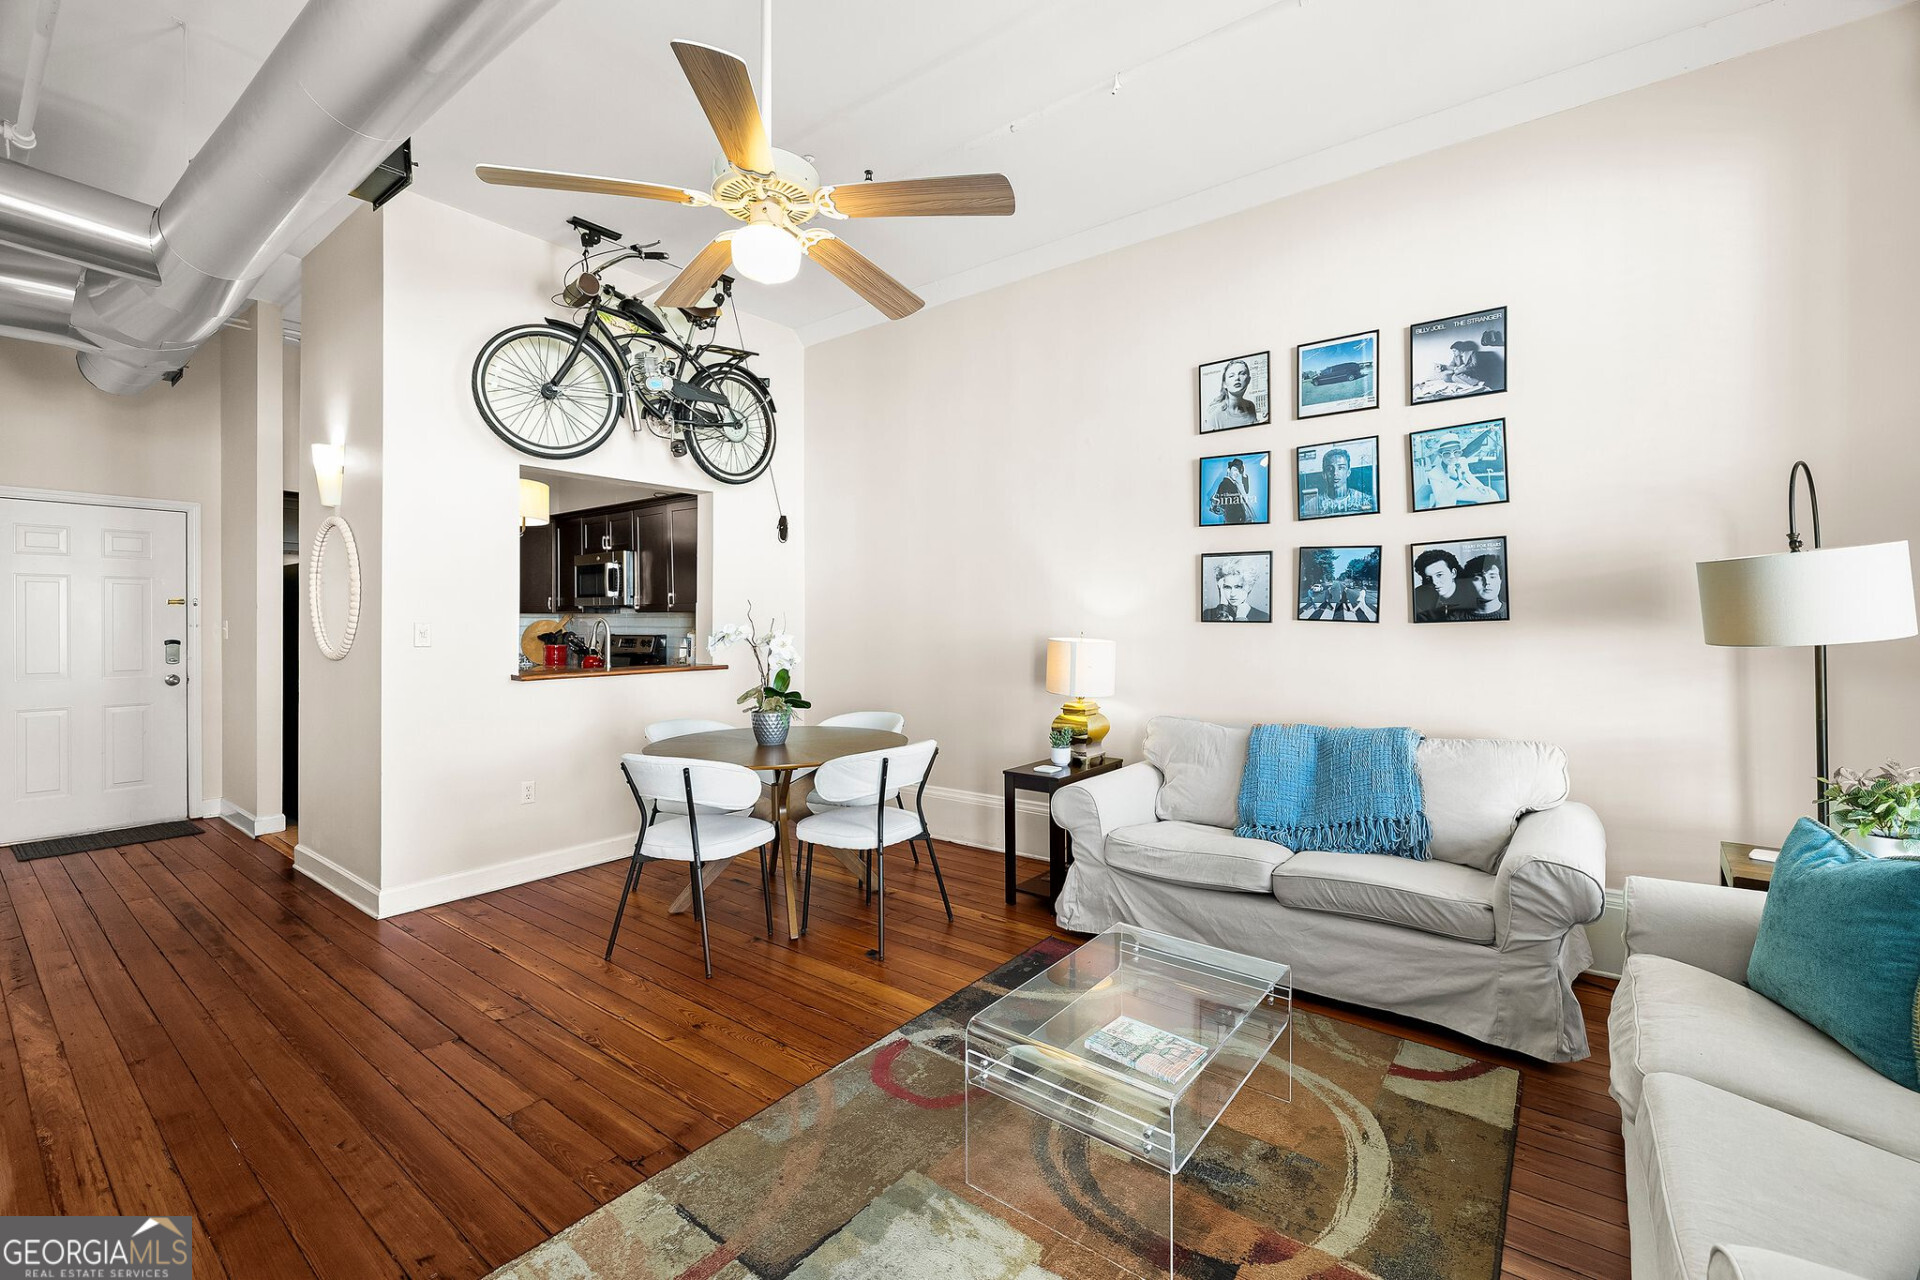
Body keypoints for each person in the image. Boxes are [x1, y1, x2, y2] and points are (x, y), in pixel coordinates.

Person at [1415, 435, 1503, 508]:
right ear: (1440, 456)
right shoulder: (1433, 474)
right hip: (1450, 493)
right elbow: (1442, 501)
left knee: (1491, 494)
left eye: (1456, 452)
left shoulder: (1462, 461)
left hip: (1464, 488)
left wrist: (1479, 486)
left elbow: (1469, 476)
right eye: (1447, 453)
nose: (1452, 457)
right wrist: (1453, 478)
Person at [1302, 446, 1374, 517]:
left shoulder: (1365, 500)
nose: (1335, 473)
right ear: (1324, 474)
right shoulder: (1311, 506)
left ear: (1348, 472)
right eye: (1330, 469)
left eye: (1340, 468)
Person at [1412, 547, 1467, 622]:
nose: (1434, 582)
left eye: (1439, 575)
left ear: (1453, 573)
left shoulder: (1473, 593)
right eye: (1428, 578)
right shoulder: (1419, 596)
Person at [1205, 358, 1261, 430]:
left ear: (1249, 380)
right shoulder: (1215, 415)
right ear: (1224, 384)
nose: (1237, 378)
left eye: (1242, 374)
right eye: (1231, 376)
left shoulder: (1250, 407)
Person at [1204, 561, 1268, 622]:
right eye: (1227, 587)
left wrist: (1241, 617)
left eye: (1238, 587)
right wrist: (1223, 603)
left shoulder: (1263, 617)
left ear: (1249, 587)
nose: (1232, 594)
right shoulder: (1208, 614)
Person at [1433, 338, 1505, 393]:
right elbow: (1451, 366)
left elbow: (1474, 364)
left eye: (1454, 351)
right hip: (1461, 373)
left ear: (1460, 349)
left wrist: (1462, 368)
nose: (1453, 353)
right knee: (1446, 377)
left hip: (1472, 371)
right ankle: (1474, 383)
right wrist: (1444, 367)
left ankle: (1478, 383)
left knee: (1455, 376)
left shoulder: (1472, 353)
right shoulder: (1455, 357)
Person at [1208, 457, 1255, 523]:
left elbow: (1246, 491)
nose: (1237, 473)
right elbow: (1224, 507)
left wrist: (1244, 474)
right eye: (1235, 470)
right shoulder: (1225, 484)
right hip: (1234, 522)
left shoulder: (1234, 484)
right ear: (1228, 470)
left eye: (1239, 471)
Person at [1462, 553, 1507, 619]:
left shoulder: (1513, 611)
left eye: (1492, 576)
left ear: (1500, 580)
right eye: (1478, 578)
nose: (1487, 582)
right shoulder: (1455, 618)